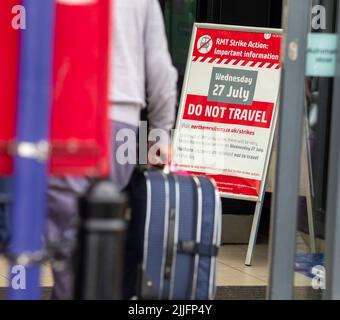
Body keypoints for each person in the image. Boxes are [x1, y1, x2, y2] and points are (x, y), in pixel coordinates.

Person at [46, 0, 178, 300]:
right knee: (104, 234)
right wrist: (159, 133)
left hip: (68, 113)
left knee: (67, 245)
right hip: (122, 122)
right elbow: (160, 68)